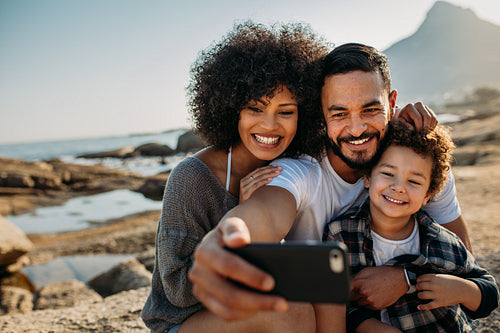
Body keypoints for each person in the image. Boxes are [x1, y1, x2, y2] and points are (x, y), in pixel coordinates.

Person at [188, 43, 473, 326]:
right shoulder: (301, 171)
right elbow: (264, 212)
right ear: (321, 115)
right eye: (339, 114)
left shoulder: (418, 169)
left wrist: (407, 279)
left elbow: (464, 265)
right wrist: (229, 237)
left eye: (371, 109)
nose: (356, 128)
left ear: (392, 103)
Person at [140, 21, 330, 333]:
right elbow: (176, 290)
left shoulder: (289, 170)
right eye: (255, 108)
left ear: (304, 115)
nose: (269, 126)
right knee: (288, 311)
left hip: (241, 309)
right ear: (232, 110)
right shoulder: (191, 177)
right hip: (180, 322)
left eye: (286, 112)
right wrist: (237, 218)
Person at [324, 120, 499, 332]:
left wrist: (461, 289)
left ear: (427, 195)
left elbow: (489, 293)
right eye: (388, 174)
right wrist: (366, 326)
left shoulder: (442, 241)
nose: (398, 188)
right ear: (368, 177)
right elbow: (336, 302)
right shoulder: (341, 235)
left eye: (414, 182)